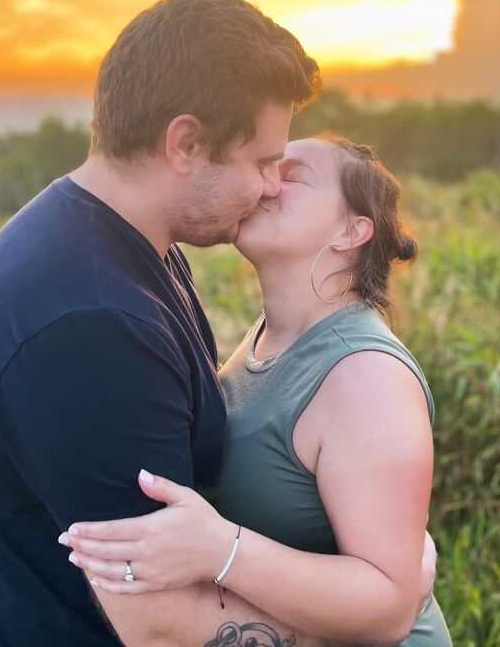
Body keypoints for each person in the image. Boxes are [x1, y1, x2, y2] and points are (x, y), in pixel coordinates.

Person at [0, 0, 335, 646]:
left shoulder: (122, 245)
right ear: (185, 144)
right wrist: (376, 622)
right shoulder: (87, 322)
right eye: (263, 161)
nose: (271, 186)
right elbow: (160, 625)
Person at [60, 134, 453, 645]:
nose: (264, 182)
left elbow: (387, 605)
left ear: (351, 231)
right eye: (268, 166)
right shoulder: (269, 336)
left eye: (291, 177)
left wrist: (220, 549)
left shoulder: (365, 377)